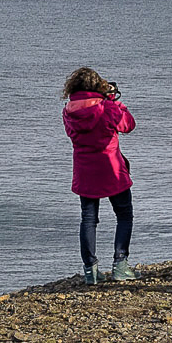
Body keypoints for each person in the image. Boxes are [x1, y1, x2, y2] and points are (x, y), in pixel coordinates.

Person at [62, 66, 138, 284]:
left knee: (88, 218)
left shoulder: (68, 111)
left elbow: (73, 133)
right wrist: (114, 100)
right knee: (124, 214)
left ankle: (90, 271)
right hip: (111, 168)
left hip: (84, 170)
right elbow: (128, 125)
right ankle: (120, 264)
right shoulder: (106, 107)